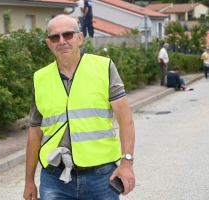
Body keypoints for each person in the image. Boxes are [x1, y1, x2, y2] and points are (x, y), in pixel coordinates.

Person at [23, 14, 135, 200]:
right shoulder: (40, 78)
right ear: (48, 43)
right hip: (54, 178)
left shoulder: (104, 67)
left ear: (80, 38)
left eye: (67, 35)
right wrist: (29, 181)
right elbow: (35, 133)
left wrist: (127, 163)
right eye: (54, 37)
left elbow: (126, 119)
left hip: (100, 177)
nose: (61, 41)